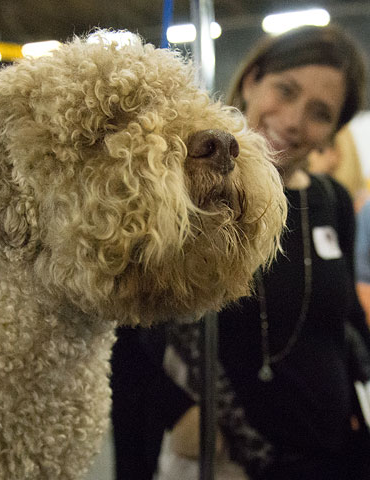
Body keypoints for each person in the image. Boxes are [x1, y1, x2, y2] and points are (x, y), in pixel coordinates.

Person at [112, 25, 370, 480]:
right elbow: (126, 323)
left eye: (320, 113)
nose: (292, 120)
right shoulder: (191, 186)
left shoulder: (331, 202)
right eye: (285, 91)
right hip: (234, 457)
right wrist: (175, 411)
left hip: (332, 454)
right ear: (252, 80)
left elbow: (345, 318)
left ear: (333, 130)